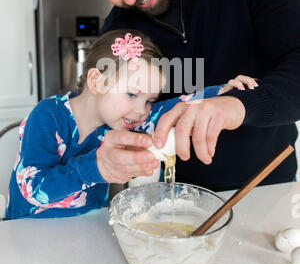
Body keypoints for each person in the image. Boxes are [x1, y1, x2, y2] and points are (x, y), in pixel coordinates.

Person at [61, 0, 300, 191]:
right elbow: (100, 116)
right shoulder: (121, 32)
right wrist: (104, 151)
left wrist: (235, 105)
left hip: (269, 188)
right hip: (177, 200)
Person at [5, 29, 255, 219]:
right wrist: (95, 168)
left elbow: (175, 108)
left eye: (149, 101)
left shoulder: (122, 123)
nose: (141, 111)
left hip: (84, 228)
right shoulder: (47, 117)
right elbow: (33, 189)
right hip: (28, 231)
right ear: (96, 81)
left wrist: (222, 91)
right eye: (133, 95)